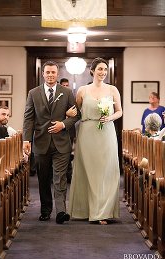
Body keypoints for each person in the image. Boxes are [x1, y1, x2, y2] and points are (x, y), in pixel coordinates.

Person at [66, 58, 122, 225]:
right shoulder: (82, 90)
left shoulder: (112, 89)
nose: (103, 72)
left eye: (105, 69)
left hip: (107, 132)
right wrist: (69, 115)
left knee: (106, 171)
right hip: (87, 132)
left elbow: (119, 111)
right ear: (92, 71)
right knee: (88, 171)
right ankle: (85, 210)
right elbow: (76, 112)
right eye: (99, 69)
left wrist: (110, 117)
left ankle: (102, 212)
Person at [23, 61, 79, 224]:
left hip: (62, 143)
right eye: (47, 72)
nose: (50, 75)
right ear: (43, 74)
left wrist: (63, 124)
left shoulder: (67, 92)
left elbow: (77, 115)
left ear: (58, 74)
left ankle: (61, 211)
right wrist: (26, 139)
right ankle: (45, 210)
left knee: (59, 177)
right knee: (43, 178)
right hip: (41, 142)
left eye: (53, 72)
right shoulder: (33, 93)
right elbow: (29, 117)